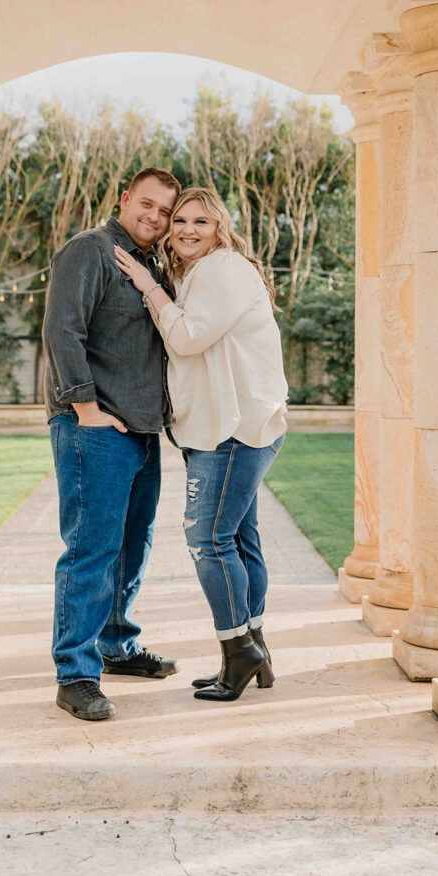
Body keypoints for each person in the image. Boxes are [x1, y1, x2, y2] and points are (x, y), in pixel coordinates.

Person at [114, 186, 288, 702]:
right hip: (238, 425)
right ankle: (254, 648)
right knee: (238, 539)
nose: (188, 229)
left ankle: (239, 651)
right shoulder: (203, 273)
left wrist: (149, 287)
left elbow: (187, 338)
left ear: (220, 229)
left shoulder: (220, 270)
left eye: (201, 222)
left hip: (231, 429)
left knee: (207, 540)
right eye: (180, 220)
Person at [42, 167, 182, 722]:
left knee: (133, 545)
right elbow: (62, 331)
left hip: (142, 430)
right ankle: (75, 672)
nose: (154, 217)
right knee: (91, 549)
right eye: (146, 205)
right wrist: (87, 411)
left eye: (164, 212)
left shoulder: (150, 265)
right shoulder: (90, 250)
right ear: (125, 199)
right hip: (95, 429)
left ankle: (116, 643)